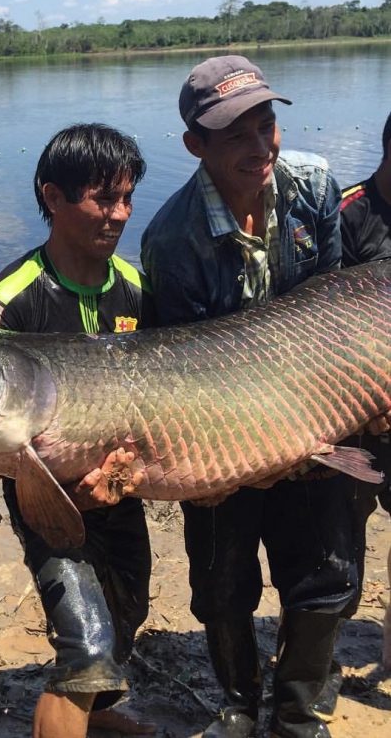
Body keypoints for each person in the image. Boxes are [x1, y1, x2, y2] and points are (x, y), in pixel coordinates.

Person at [140, 55, 357, 738]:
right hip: (222, 429)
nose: (260, 147)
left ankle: (299, 712)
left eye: (267, 127)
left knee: (325, 575)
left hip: (316, 406)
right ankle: (238, 703)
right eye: (237, 135)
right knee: (222, 584)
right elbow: (182, 369)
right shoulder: (171, 241)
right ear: (195, 146)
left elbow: (334, 306)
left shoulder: (314, 186)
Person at [0, 123, 157, 738]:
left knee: (128, 610)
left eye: (128, 198)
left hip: (118, 489)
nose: (121, 215)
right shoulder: (12, 298)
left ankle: (99, 720)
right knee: (85, 643)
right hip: (46, 495)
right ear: (53, 198)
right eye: (104, 199)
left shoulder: (133, 285)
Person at [339, 109, 391, 670]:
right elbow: (310, 326)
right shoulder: (348, 214)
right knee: (339, 549)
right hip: (349, 410)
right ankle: (322, 663)